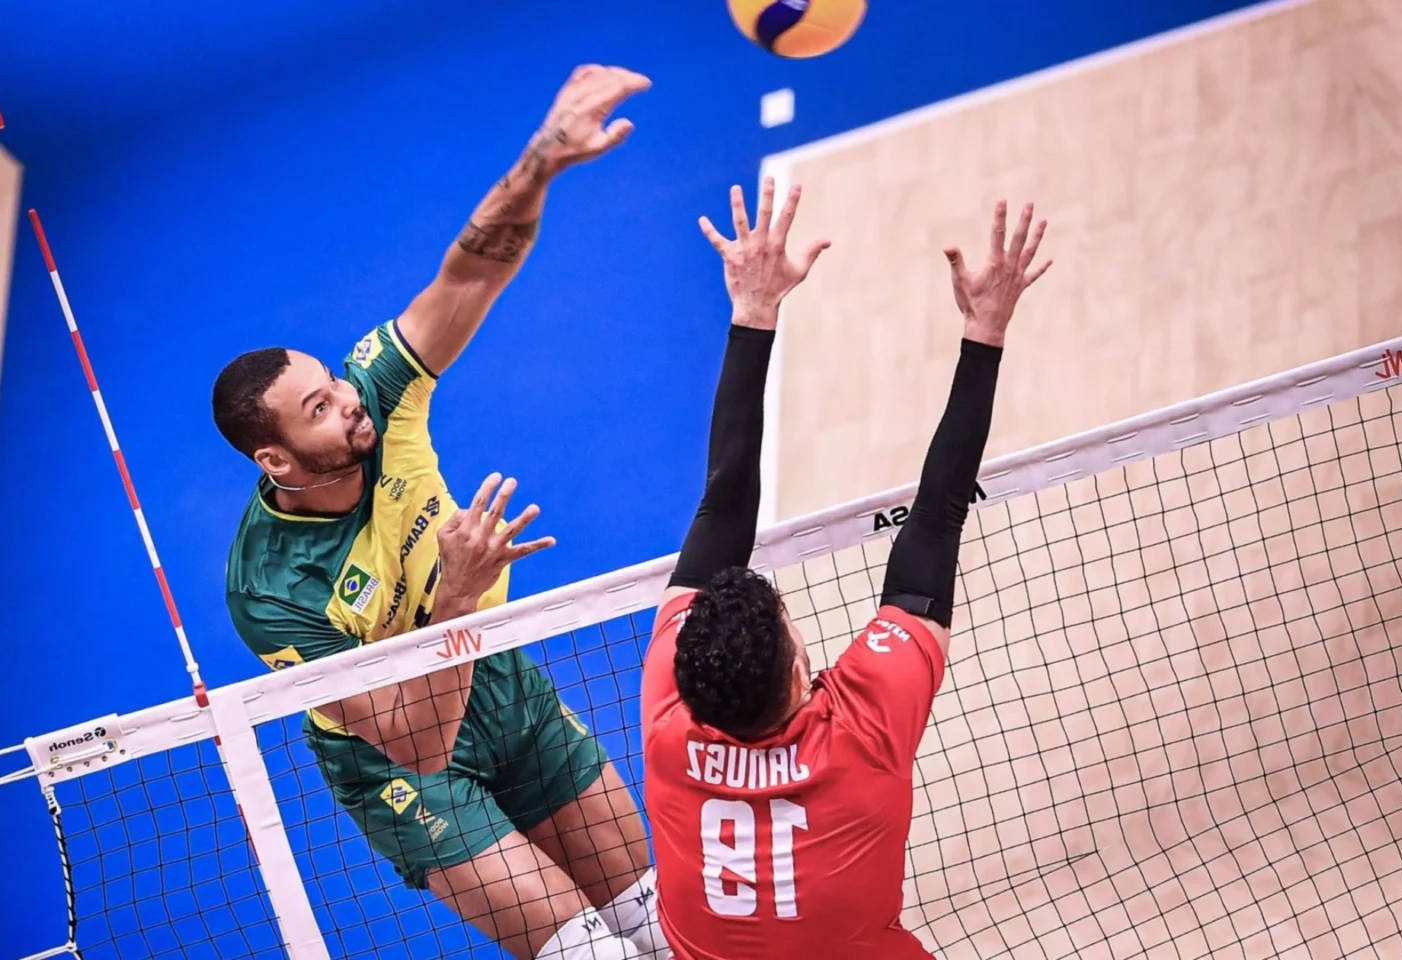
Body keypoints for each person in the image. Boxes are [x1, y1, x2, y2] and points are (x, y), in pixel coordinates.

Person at [212, 65, 666, 960]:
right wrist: (455, 597)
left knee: (661, 924)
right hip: (403, 764)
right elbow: (417, 743)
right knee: (597, 956)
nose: (349, 405)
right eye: (318, 410)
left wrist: (538, 166)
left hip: (499, 683)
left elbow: (469, 273)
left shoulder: (382, 397)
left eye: (333, 385)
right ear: (274, 459)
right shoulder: (267, 590)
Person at [641, 180, 1052, 958]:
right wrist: (985, 331)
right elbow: (933, 520)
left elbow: (722, 508)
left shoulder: (670, 727)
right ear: (802, 672)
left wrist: (753, 311)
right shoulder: (861, 731)